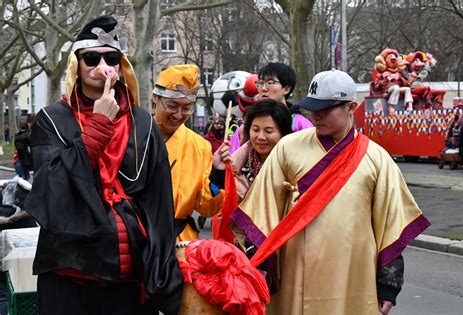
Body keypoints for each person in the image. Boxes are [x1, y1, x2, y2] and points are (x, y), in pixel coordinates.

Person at [230, 69, 430, 315]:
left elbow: (391, 226)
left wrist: (388, 284)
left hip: (353, 274)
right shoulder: (288, 148)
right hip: (294, 272)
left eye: (326, 109)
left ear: (351, 107)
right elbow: (261, 210)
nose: (317, 115)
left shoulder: (377, 158)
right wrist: (260, 267)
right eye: (313, 107)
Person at [23, 16, 182, 314]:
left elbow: (159, 204)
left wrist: (163, 274)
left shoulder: (144, 124)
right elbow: (50, 191)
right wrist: (99, 125)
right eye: (91, 58)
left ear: (121, 67)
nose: (101, 65)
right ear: (77, 67)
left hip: (128, 281)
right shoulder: (52, 120)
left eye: (111, 57)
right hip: (68, 276)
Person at [152, 64, 225, 241]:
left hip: (180, 242)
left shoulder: (200, 146)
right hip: (135, 237)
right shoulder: (134, 135)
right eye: (172, 106)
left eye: (186, 108)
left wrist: (217, 174)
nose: (178, 115)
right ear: (155, 98)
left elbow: (207, 208)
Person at [217, 99, 292, 202]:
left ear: (283, 133)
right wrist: (218, 172)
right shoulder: (237, 167)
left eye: (268, 131)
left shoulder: (293, 168)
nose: (261, 137)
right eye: (256, 130)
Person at [256, 62, 313, 131]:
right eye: (261, 83)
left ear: (286, 89)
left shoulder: (300, 124)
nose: (263, 88)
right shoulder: (252, 119)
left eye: (270, 83)